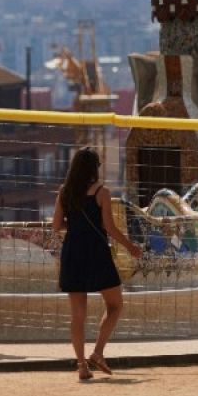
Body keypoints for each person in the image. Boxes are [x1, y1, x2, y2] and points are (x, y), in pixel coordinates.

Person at [54, 147, 143, 380]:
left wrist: (75, 229)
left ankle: (81, 365)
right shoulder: (102, 192)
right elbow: (110, 228)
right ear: (94, 168)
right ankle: (98, 352)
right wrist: (131, 247)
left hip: (72, 252)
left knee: (77, 316)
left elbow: (56, 226)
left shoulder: (64, 192)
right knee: (115, 305)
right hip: (96, 253)